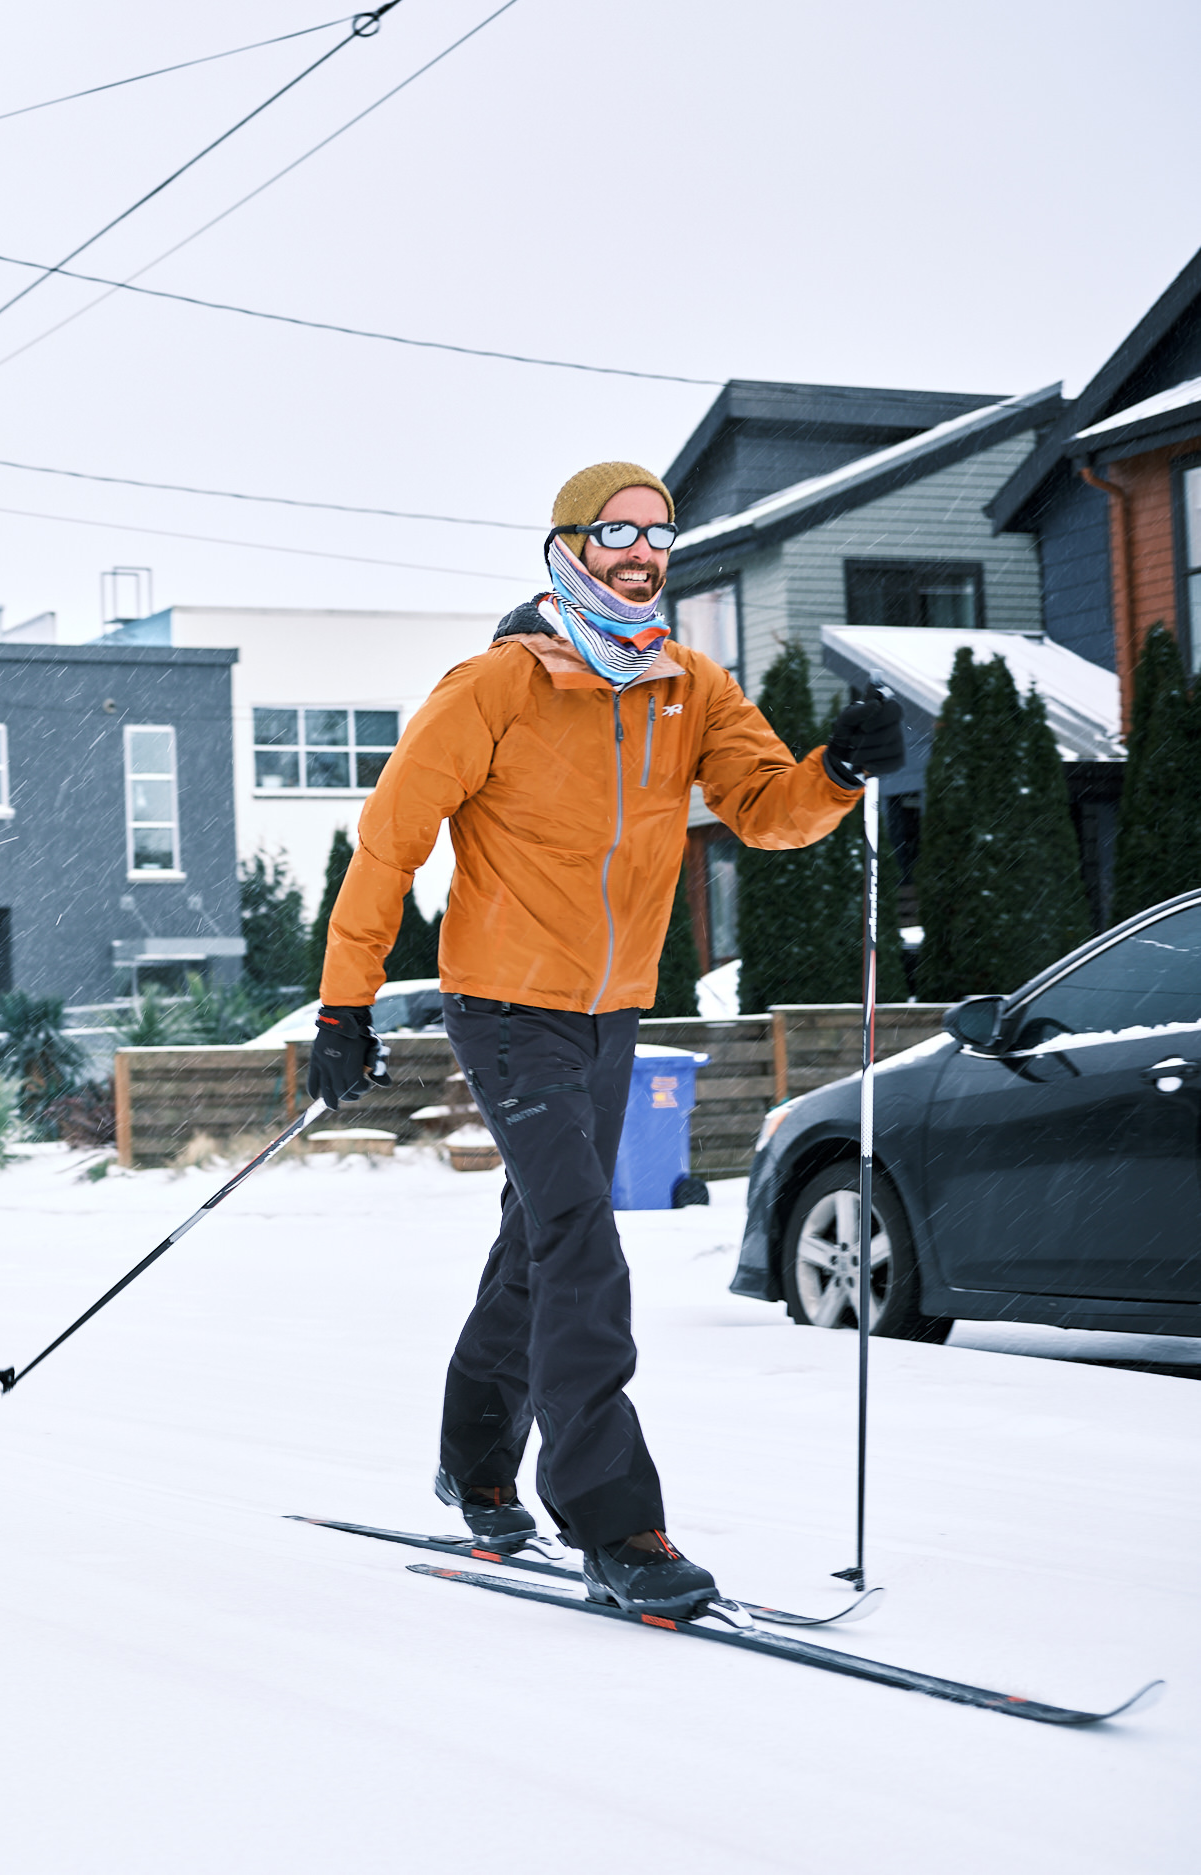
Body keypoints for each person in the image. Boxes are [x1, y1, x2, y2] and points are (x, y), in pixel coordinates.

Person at [306, 461, 904, 1618]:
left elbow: (764, 812)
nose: (642, 552)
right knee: (582, 1237)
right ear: (568, 544)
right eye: (618, 531)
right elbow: (388, 842)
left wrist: (834, 770)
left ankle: (475, 1460)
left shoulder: (689, 685)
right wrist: (344, 1005)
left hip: (612, 1007)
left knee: (539, 1233)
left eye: (659, 536)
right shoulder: (499, 684)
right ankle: (613, 1520)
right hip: (506, 1006)